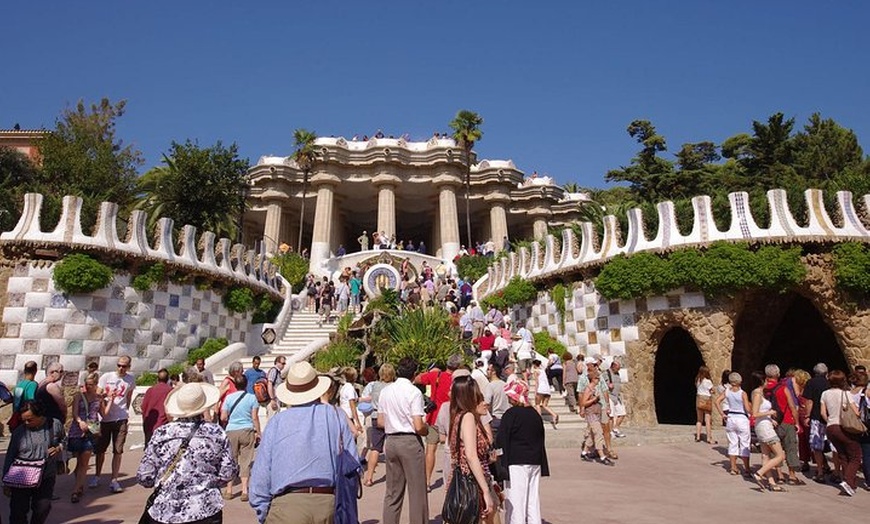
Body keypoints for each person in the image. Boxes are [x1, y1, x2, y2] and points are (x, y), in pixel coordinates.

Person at [249, 361, 358, 523]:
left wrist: (262, 509)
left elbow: (262, 472)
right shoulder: (336, 416)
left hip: (286, 506)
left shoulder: (277, 422)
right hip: (329, 503)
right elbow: (352, 463)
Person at [137, 382, 238, 524]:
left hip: (165, 510)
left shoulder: (162, 433)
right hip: (205, 508)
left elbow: (144, 476)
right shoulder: (215, 433)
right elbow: (228, 472)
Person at [379, 358, 429, 524]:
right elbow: (417, 425)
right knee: (417, 492)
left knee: (393, 491)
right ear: (414, 374)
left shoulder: (385, 391)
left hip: (391, 440)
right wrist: (425, 428)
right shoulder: (414, 392)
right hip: (409, 441)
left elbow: (380, 421)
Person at [3, 400, 65, 524]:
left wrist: (59, 448)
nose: (26, 423)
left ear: (40, 415)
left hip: (45, 475)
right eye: (24, 420)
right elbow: (10, 456)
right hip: (21, 476)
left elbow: (64, 440)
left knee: (43, 507)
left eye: (30, 420)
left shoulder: (54, 424)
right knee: (18, 512)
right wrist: (5, 481)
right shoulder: (19, 432)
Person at [447, 375, 497, 523]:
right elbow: (470, 455)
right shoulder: (468, 417)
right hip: (472, 481)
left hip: (466, 478)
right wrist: (486, 491)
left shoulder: (458, 416)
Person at [497, 380, 548, 524]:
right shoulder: (534, 414)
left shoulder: (511, 414)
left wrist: (500, 461)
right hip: (534, 461)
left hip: (516, 462)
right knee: (532, 500)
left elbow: (502, 439)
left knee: (516, 502)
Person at [415, 355, 460, 487]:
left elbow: (417, 379)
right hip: (452, 417)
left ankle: (427, 481)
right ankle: (453, 479)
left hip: (435, 417)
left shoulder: (436, 375)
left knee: (430, 450)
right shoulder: (458, 379)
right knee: (454, 449)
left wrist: (431, 372)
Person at [93, 355, 135, 493]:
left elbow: (128, 397)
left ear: (129, 367)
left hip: (121, 418)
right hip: (106, 418)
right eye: (119, 365)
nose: (121, 368)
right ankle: (97, 475)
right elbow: (97, 395)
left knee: (118, 450)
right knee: (100, 449)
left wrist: (125, 411)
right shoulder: (107, 377)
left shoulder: (130, 379)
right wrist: (107, 396)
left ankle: (114, 480)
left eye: (124, 366)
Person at [820, 369, 862, 496]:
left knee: (843, 455)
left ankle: (850, 483)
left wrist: (829, 421)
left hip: (830, 427)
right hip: (843, 427)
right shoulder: (846, 393)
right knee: (855, 456)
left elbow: (823, 412)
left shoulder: (825, 394)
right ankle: (848, 482)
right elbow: (856, 411)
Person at [69, 372, 110, 503]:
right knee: (79, 461)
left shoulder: (99, 399)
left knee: (84, 462)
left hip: (91, 431)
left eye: (91, 384)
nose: (88, 387)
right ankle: (79, 484)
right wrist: (80, 421)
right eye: (86, 384)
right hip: (77, 430)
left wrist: (111, 401)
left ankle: (76, 490)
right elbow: (74, 413)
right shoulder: (78, 397)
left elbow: (104, 414)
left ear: (96, 385)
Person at [220, 375, 261, 502]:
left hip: (231, 430)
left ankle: (229, 489)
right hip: (247, 429)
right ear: (246, 384)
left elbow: (223, 417)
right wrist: (258, 432)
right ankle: (244, 490)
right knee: (246, 460)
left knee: (231, 459)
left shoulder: (229, 398)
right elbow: (254, 417)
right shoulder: (252, 398)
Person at [750, 368, 786, 491]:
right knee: (780, 455)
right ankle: (759, 473)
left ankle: (772, 483)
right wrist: (770, 412)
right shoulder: (757, 394)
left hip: (765, 424)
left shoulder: (759, 393)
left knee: (766, 456)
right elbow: (754, 413)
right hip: (764, 428)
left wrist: (770, 419)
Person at [363, 364, 395, 487]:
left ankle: (369, 477)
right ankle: (394, 476)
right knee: (392, 447)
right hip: (390, 417)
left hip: (376, 416)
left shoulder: (375, 385)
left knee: (375, 448)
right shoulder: (393, 387)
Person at [715, 372, 752, 477]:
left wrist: (722, 414)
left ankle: (733, 467)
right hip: (741, 418)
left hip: (731, 417)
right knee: (744, 443)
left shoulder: (727, 391)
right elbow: (747, 408)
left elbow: (717, 401)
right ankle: (747, 469)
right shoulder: (742, 393)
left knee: (732, 443)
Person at [801, 362, 829, 483]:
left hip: (817, 417)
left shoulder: (811, 383)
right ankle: (837, 471)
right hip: (830, 417)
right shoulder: (830, 382)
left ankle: (820, 471)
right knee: (834, 447)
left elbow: (809, 401)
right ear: (826, 372)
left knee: (817, 445)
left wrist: (807, 415)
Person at [579, 368, 614, 466]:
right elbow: (583, 402)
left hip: (596, 413)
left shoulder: (594, 388)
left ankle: (584, 452)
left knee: (592, 434)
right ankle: (602, 456)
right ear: (593, 379)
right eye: (597, 378)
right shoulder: (588, 389)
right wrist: (594, 399)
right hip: (591, 414)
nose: (599, 380)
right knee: (599, 433)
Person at [141, 369, 173, 446]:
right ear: (168, 379)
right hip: (164, 425)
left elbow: (143, 407)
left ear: (157, 379)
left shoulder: (150, 390)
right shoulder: (171, 391)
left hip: (150, 424)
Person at [9, 360, 38, 432]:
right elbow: (31, 402)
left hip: (16, 417)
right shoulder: (32, 384)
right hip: (26, 419)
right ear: (35, 371)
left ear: (24, 371)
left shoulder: (19, 384)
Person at [338, 367, 363, 437]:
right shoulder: (350, 389)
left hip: (343, 415)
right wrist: (358, 423)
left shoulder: (344, 387)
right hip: (349, 417)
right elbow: (352, 406)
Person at [694, 366, 715, 444]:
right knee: (707, 420)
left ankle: (698, 437)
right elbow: (712, 390)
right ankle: (709, 438)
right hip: (706, 400)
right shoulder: (708, 381)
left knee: (699, 420)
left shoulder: (698, 381)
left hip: (699, 399)